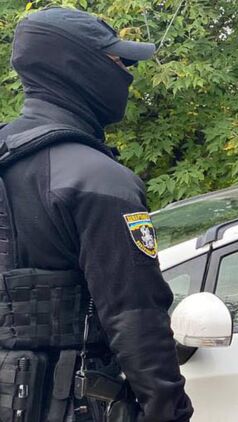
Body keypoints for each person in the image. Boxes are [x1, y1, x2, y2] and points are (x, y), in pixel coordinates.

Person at [0, 7, 192, 421]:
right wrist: (171, 413)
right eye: (119, 61)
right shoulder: (99, 180)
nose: (128, 73)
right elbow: (137, 320)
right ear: (76, 66)